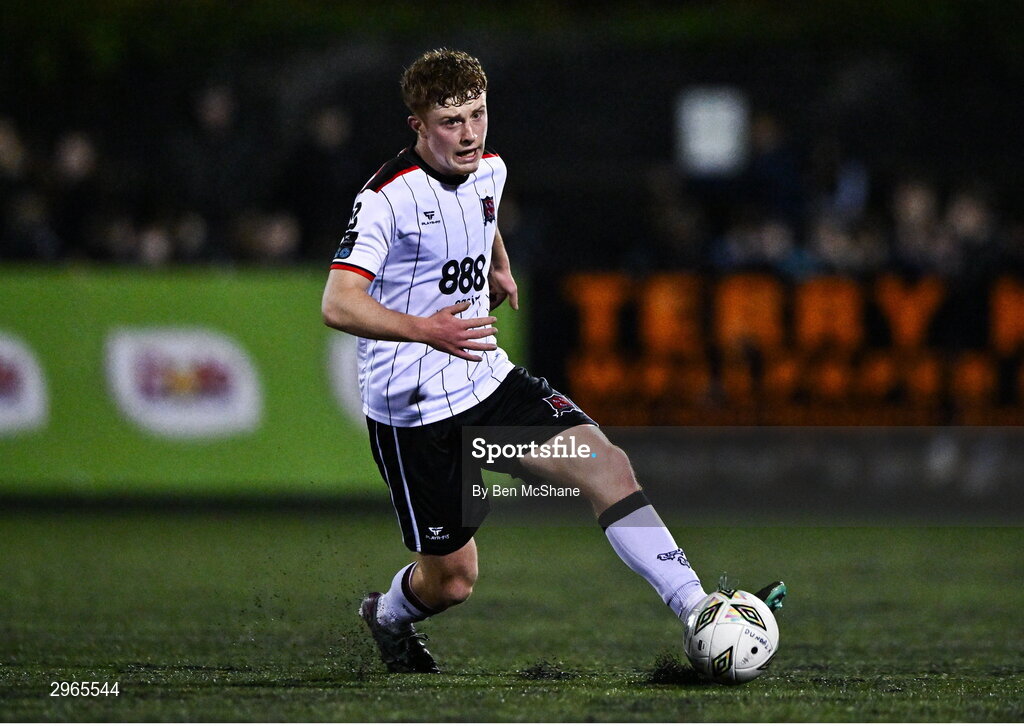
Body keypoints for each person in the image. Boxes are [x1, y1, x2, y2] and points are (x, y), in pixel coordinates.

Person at [321, 48, 786, 673]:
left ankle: (698, 607)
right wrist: (424, 328)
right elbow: (338, 302)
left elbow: (482, 212)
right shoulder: (386, 198)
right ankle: (386, 616)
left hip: (487, 386)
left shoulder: (489, 168)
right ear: (418, 126)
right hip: (414, 411)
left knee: (608, 467)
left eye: (477, 114)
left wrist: (497, 261)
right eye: (450, 121)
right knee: (452, 582)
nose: (468, 133)